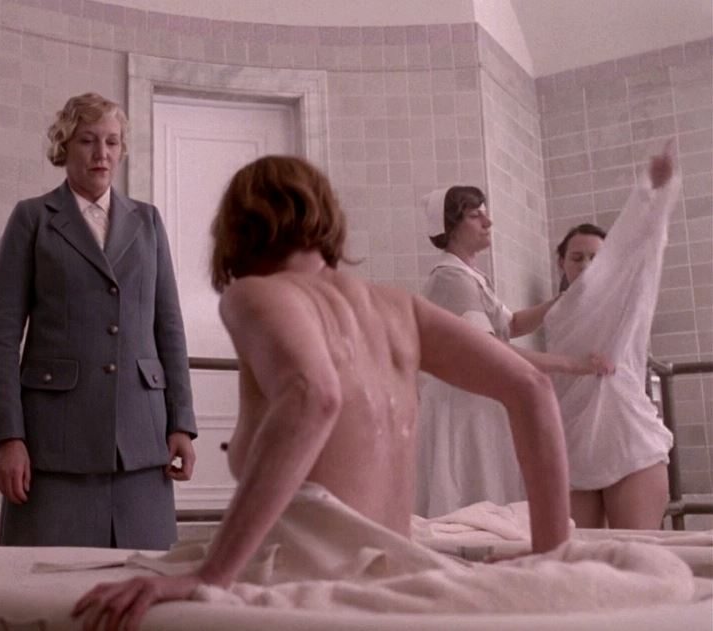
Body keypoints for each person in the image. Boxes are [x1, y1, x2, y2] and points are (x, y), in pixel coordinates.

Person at [72, 155, 572, 630]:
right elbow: (531, 387)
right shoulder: (400, 308)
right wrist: (549, 554)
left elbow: (312, 395)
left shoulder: (255, 294)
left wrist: (210, 575)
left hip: (309, 579)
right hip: (399, 571)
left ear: (238, 228)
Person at [0, 93, 197, 550]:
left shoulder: (148, 222)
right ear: (64, 146)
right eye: (87, 140)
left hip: (141, 441)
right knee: (41, 583)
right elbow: (2, 337)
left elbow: (169, 328)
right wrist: (9, 437)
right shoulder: (32, 219)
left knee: (142, 580)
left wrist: (181, 422)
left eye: (112, 142)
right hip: (55, 442)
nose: (101, 153)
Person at [413, 185, 612, 517]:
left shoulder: (471, 277)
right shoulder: (450, 279)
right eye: (475, 215)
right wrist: (572, 364)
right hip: (463, 409)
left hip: (477, 402)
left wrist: (564, 300)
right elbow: (489, 350)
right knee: (472, 504)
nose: (488, 222)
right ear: (451, 227)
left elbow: (513, 324)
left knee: (487, 503)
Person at [545, 143, 679, 529]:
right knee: (578, 557)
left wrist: (653, 193)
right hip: (573, 445)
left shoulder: (627, 297)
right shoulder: (555, 316)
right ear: (561, 263)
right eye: (577, 257)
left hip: (629, 443)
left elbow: (646, 247)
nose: (587, 265)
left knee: (636, 556)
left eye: (597, 258)